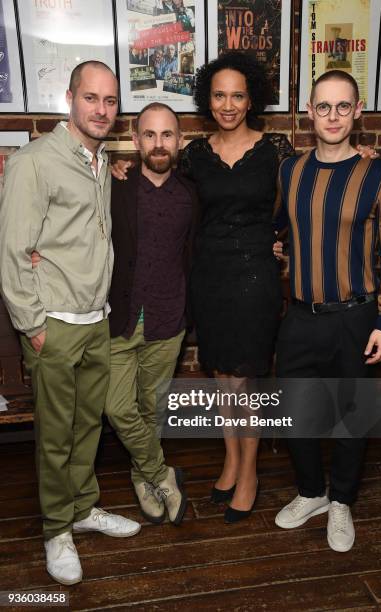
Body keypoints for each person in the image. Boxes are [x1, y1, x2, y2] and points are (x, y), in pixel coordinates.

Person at [112, 55, 376, 525]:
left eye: (237, 94)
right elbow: (162, 187)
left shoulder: (276, 149)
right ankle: (232, 460)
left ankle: (249, 471)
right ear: (207, 100)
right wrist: (120, 169)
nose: (228, 104)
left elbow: (311, 184)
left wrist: (363, 157)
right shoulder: (193, 154)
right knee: (221, 378)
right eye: (219, 95)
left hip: (255, 278)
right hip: (208, 279)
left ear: (251, 97)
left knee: (246, 380)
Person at [0, 61, 141, 587]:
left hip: (95, 320)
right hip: (53, 326)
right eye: (91, 98)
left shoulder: (99, 161)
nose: (101, 109)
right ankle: (56, 529)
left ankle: (83, 507)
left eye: (109, 101)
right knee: (56, 435)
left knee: (87, 427)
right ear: (70, 99)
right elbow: (12, 251)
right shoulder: (35, 162)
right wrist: (33, 325)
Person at [274, 70, 381, 552]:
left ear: (358, 112)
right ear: (310, 112)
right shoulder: (290, 170)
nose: (333, 116)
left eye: (343, 107)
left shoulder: (377, 173)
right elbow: (279, 228)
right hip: (300, 315)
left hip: (355, 317)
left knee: (352, 414)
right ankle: (312, 493)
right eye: (323, 107)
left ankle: (343, 500)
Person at [105, 103, 199, 526]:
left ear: (179, 140)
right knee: (118, 407)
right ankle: (161, 473)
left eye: (166, 135)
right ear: (136, 139)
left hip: (168, 319)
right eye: (149, 134)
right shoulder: (114, 186)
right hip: (119, 318)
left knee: (152, 409)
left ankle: (141, 477)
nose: (158, 144)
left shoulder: (193, 194)